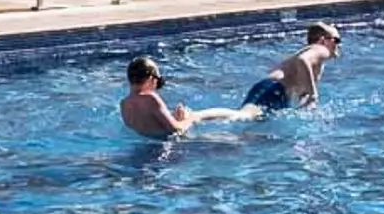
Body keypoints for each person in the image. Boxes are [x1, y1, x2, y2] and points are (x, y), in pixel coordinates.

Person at [118, 55, 261, 139]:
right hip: (172, 147)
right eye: (158, 80)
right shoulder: (150, 98)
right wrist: (189, 118)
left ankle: (243, 114)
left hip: (152, 147)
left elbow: (151, 127)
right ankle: (246, 115)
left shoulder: (124, 104)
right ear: (150, 78)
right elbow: (177, 130)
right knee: (235, 139)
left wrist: (174, 117)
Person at [236, 22, 343, 113]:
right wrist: (313, 95)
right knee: (243, 116)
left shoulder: (315, 61)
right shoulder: (321, 49)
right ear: (323, 40)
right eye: (337, 40)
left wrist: (308, 104)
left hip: (275, 90)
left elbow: (303, 93)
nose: (339, 45)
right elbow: (302, 59)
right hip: (273, 88)